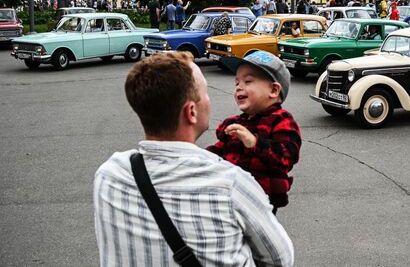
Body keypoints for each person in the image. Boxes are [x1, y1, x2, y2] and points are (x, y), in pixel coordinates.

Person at [94, 52, 294, 266]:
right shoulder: (232, 185)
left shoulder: (108, 176)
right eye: (206, 92)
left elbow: (285, 154)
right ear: (191, 111)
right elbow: (280, 260)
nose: (237, 88)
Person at [207, 51, 301, 215]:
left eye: (248, 81)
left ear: (273, 90)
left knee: (256, 238)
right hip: (230, 196)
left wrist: (255, 143)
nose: (239, 87)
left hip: (262, 202)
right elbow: (220, 150)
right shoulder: (237, 123)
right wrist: (198, 156)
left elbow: (286, 158)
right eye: (236, 82)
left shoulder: (282, 120)